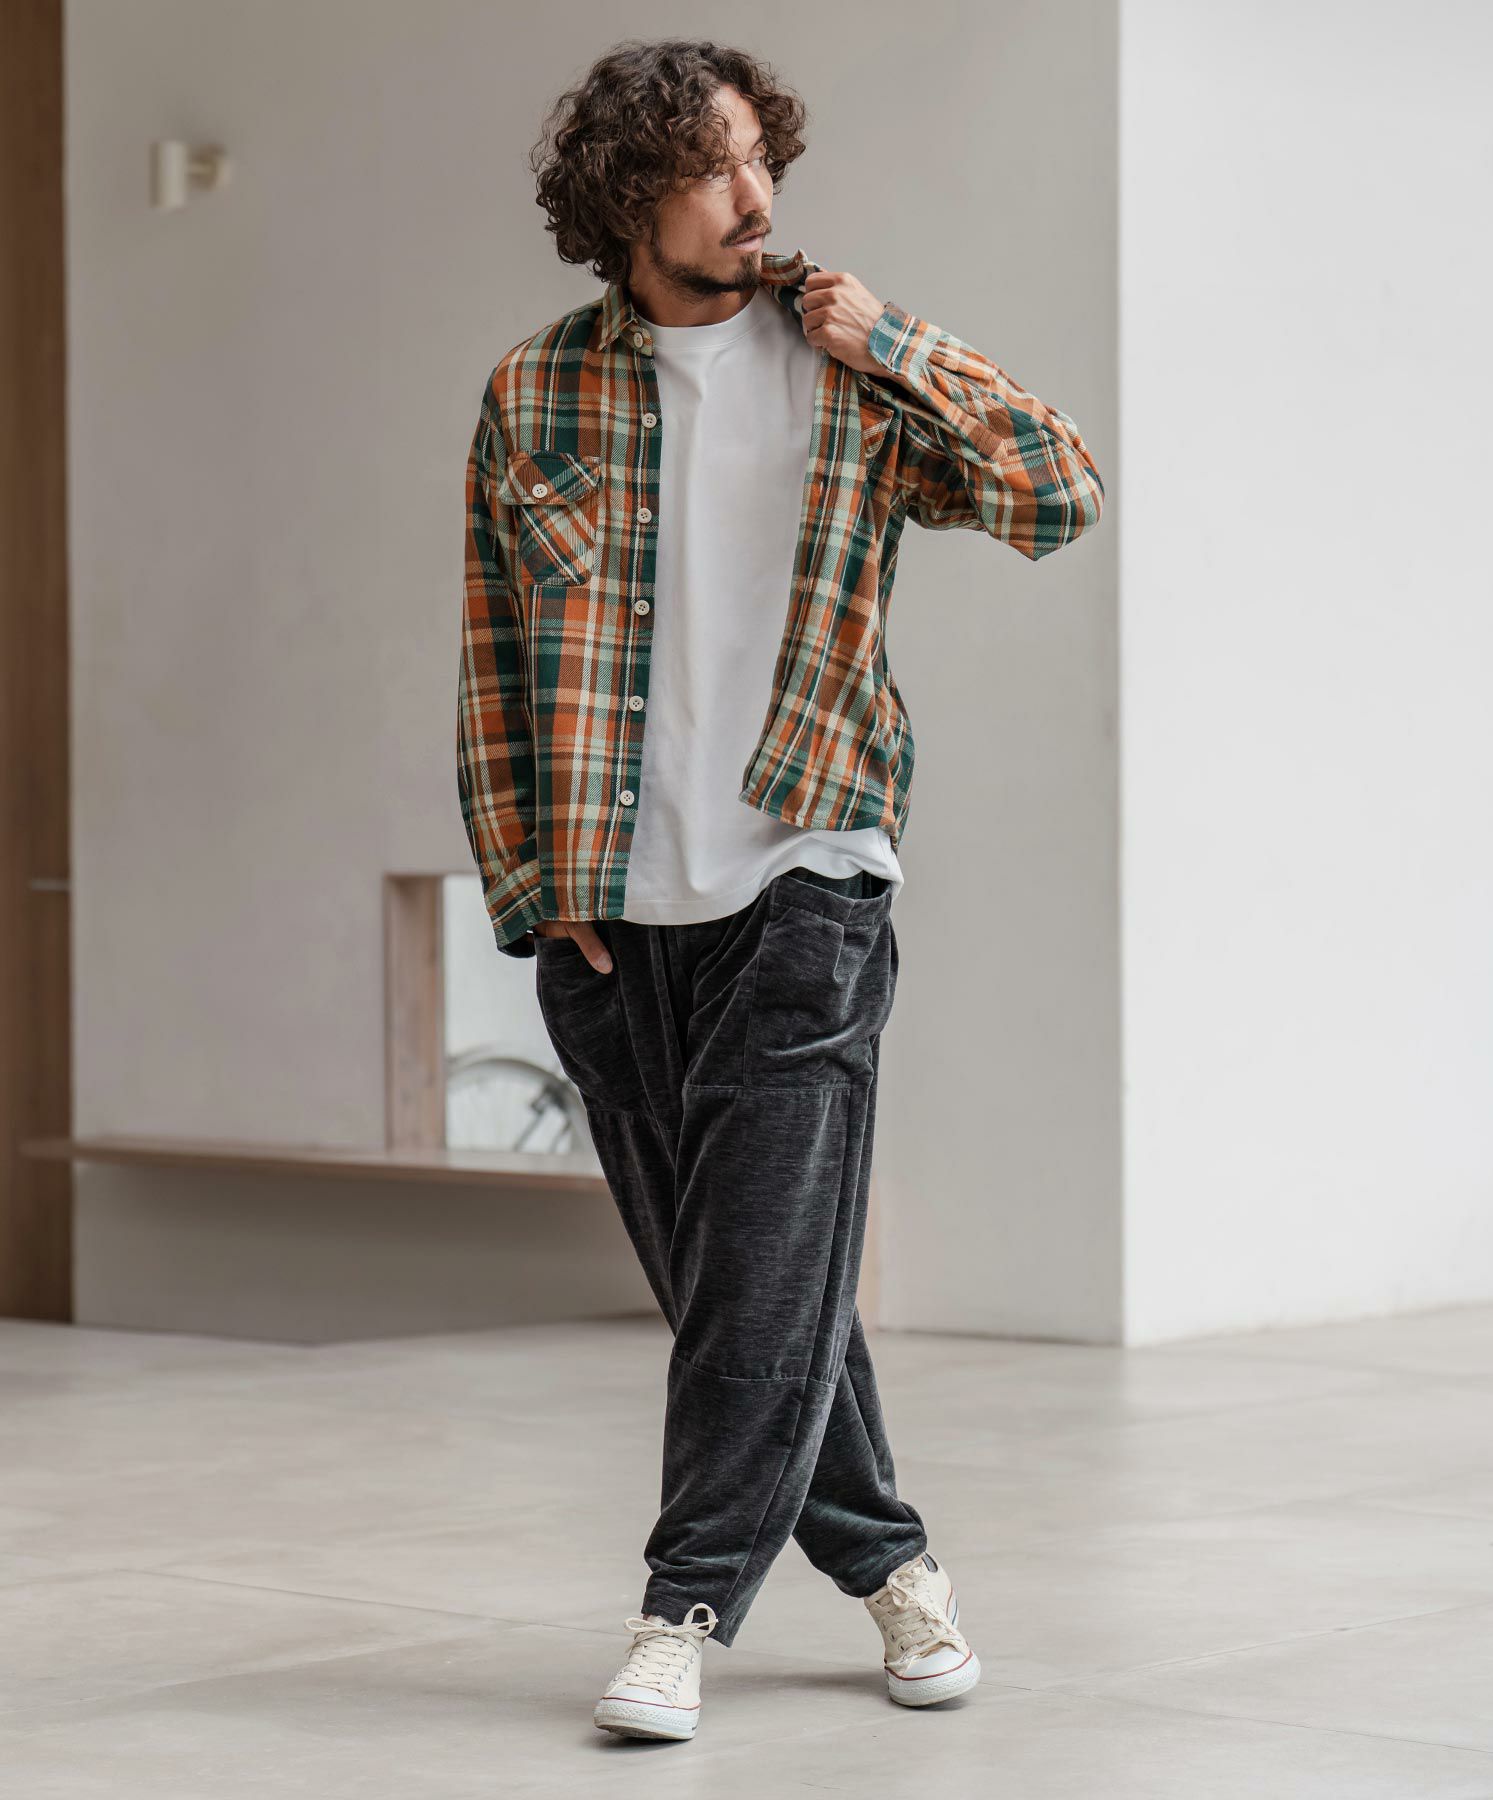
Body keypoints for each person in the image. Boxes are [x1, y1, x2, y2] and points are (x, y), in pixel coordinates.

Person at [455, 37, 1104, 1742]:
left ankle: (680, 1610)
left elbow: (1059, 496)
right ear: (628, 197)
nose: (753, 196)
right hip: (611, 908)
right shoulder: (535, 391)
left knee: (758, 1273)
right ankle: (893, 1568)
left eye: (762, 159)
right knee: (749, 1284)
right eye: (711, 166)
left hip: (808, 868)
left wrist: (894, 342)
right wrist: (530, 886)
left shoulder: (847, 365)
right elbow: (490, 656)